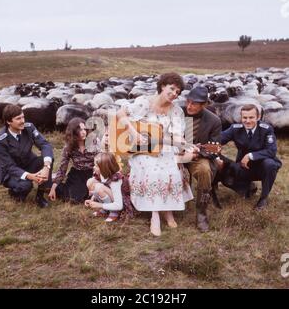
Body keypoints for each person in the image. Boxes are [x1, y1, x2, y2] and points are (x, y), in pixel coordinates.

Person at [116, 72, 194, 236]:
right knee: (152, 169)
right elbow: (120, 114)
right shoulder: (144, 102)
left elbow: (178, 138)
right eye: (171, 89)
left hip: (166, 148)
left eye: (177, 92)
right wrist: (133, 132)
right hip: (142, 149)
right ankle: (155, 215)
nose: (174, 94)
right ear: (162, 86)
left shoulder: (176, 111)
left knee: (171, 167)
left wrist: (178, 144)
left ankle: (168, 211)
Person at [221, 104, 282, 210]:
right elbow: (218, 138)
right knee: (224, 173)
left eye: (251, 117)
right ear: (241, 118)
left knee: (270, 164)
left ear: (258, 117)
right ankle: (248, 188)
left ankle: (263, 198)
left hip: (262, 166)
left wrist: (251, 155)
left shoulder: (266, 129)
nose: (248, 121)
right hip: (244, 167)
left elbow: (271, 151)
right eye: (245, 118)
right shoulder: (235, 128)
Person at [0, 104, 53, 208]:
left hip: (28, 163)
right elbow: (9, 166)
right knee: (26, 186)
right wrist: (30, 176)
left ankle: (40, 196)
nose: (22, 121)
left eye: (23, 117)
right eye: (18, 118)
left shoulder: (29, 127)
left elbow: (44, 144)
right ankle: (14, 193)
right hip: (10, 173)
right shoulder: (0, 140)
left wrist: (46, 167)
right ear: (9, 122)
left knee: (48, 159)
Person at [183, 86, 222, 232]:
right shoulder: (178, 112)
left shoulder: (214, 121)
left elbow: (215, 148)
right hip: (175, 155)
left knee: (205, 170)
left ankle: (201, 212)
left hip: (197, 157)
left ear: (204, 104)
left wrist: (197, 151)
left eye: (194, 103)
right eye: (188, 102)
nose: (189, 106)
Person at [48, 117, 100, 204]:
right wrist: (53, 188)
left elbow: (101, 161)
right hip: (78, 174)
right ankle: (53, 183)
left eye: (85, 129)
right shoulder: (69, 147)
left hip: (93, 173)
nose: (84, 132)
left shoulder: (94, 141)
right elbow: (62, 168)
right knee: (74, 198)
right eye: (80, 130)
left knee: (91, 194)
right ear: (73, 132)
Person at [85, 152, 130, 222]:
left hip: (121, 202)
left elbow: (119, 205)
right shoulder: (101, 174)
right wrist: (92, 199)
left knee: (99, 187)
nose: (94, 167)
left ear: (104, 168)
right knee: (90, 181)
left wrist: (99, 205)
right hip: (111, 196)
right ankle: (105, 210)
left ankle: (114, 212)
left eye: (96, 166)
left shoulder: (115, 180)